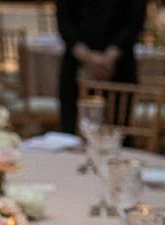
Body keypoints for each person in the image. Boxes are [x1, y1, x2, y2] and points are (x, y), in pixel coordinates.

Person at [55, 0, 145, 134]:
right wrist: (88, 57)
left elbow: (135, 22)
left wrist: (110, 56)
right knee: (71, 129)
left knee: (118, 131)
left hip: (120, 64)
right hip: (77, 63)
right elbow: (64, 20)